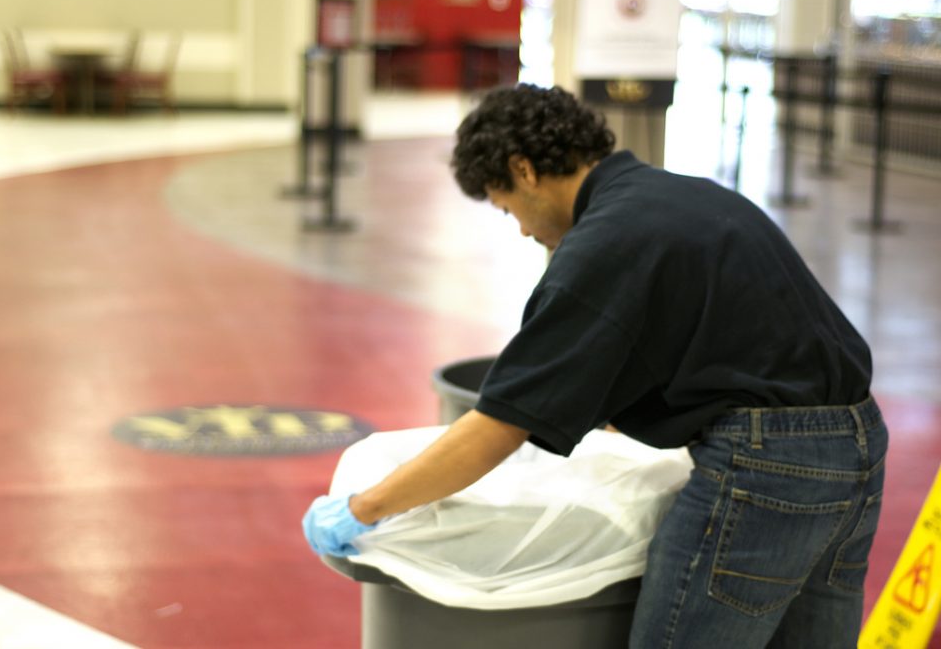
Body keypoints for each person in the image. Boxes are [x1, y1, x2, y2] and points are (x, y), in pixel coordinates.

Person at [302, 84, 888, 648]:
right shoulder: (674, 196)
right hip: (858, 446)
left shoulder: (604, 243)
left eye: (508, 209)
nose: (525, 231)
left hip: (771, 471)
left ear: (524, 169)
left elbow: (497, 427)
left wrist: (363, 509)